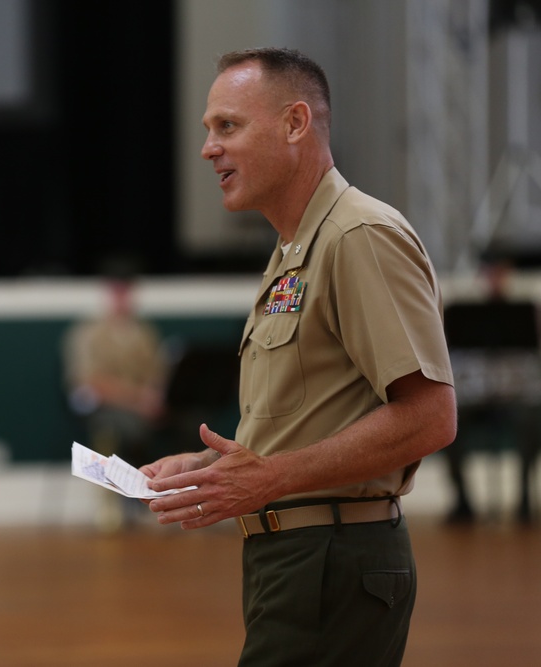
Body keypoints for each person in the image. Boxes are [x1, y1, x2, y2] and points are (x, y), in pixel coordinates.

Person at [140, 48, 456, 666]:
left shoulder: (356, 237)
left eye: (227, 126)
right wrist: (211, 467)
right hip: (296, 560)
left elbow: (429, 417)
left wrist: (271, 479)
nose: (209, 148)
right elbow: (317, 416)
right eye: (208, 130)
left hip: (334, 560)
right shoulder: (295, 249)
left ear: (294, 123)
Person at [63, 277, 167, 530]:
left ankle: (164, 498)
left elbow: (157, 374)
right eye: (117, 292)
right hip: (105, 408)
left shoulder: (144, 333)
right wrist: (137, 400)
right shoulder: (88, 334)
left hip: (143, 409)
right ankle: (113, 503)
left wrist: (155, 397)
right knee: (119, 427)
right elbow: (90, 381)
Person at [443, 258, 541, 525]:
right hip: (477, 398)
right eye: (490, 274)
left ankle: (524, 500)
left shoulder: (524, 313)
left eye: (501, 273)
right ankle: (463, 500)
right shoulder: (462, 315)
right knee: (446, 426)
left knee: (529, 421)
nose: (495, 279)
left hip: (513, 397)